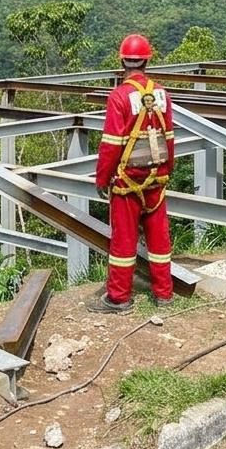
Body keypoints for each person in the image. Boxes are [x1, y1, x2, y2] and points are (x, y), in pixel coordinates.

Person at [89, 33, 175, 314]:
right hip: (156, 179)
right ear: (147, 60)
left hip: (128, 182)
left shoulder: (120, 96)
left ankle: (119, 298)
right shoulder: (161, 94)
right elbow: (169, 136)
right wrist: (167, 169)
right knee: (159, 238)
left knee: (124, 241)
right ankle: (164, 293)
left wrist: (102, 178)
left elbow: (112, 144)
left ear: (122, 62)